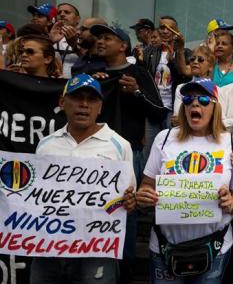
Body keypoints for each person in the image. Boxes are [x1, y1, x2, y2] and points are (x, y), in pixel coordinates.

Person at [30, 73, 136, 284]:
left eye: (92, 99)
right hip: (48, 247)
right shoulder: (46, 145)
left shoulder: (119, 145)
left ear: (100, 106)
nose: (84, 105)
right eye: (77, 97)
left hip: (96, 249)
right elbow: (33, 196)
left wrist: (129, 202)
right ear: (62, 102)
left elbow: (127, 197)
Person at [136, 79, 233, 284]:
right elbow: (146, 185)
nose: (195, 104)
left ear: (215, 107)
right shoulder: (164, 138)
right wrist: (144, 195)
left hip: (214, 247)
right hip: (165, 246)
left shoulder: (231, 142)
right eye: (188, 99)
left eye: (203, 99)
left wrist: (232, 203)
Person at [90, 23, 165, 284]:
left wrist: (136, 91)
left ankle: (125, 273)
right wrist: (92, 87)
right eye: (98, 38)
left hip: (127, 154)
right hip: (91, 157)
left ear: (123, 46)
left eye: (107, 38)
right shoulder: (92, 72)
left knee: (126, 214)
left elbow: (158, 110)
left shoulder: (138, 72)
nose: (100, 42)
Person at [141, 16, 188, 127]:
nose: (165, 31)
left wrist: (175, 58)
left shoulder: (185, 53)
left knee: (169, 142)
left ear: (176, 32)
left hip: (173, 109)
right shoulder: (148, 52)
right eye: (162, 27)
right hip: (153, 107)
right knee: (150, 144)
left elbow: (184, 75)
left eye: (170, 28)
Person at [172, 45, 216, 122]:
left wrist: (184, 119)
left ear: (210, 66)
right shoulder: (180, 88)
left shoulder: (217, 90)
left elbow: (217, 118)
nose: (195, 62)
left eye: (200, 59)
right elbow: (176, 119)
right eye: (192, 59)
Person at [49, 2, 81, 78]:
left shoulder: (83, 38)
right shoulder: (50, 36)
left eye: (67, 12)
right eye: (59, 13)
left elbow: (89, 61)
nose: (62, 14)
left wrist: (75, 45)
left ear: (77, 19)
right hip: (53, 83)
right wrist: (50, 41)